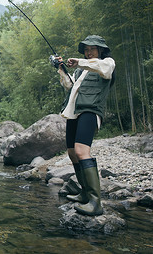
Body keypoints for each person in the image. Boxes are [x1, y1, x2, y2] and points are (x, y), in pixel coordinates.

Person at [57, 35, 115, 216]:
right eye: (87, 50)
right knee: (72, 153)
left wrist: (80, 62)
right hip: (74, 113)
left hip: (90, 111)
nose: (89, 52)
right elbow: (70, 87)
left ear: (101, 50)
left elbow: (103, 69)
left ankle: (95, 202)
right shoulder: (80, 70)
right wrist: (61, 70)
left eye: (93, 49)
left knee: (82, 151)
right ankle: (84, 193)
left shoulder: (108, 63)